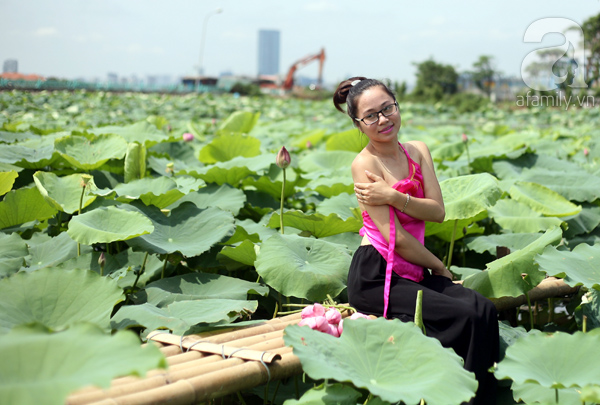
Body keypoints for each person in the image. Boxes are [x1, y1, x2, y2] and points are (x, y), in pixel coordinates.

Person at [333, 77, 499, 405]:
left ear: (397, 105)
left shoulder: (418, 150)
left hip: (412, 266)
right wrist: (438, 265)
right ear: (358, 123)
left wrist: (391, 196)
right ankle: (455, 398)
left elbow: (437, 211)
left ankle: (485, 397)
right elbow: (394, 236)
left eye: (387, 108)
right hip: (377, 275)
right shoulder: (364, 164)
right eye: (370, 116)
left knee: (483, 308)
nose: (383, 119)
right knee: (462, 316)